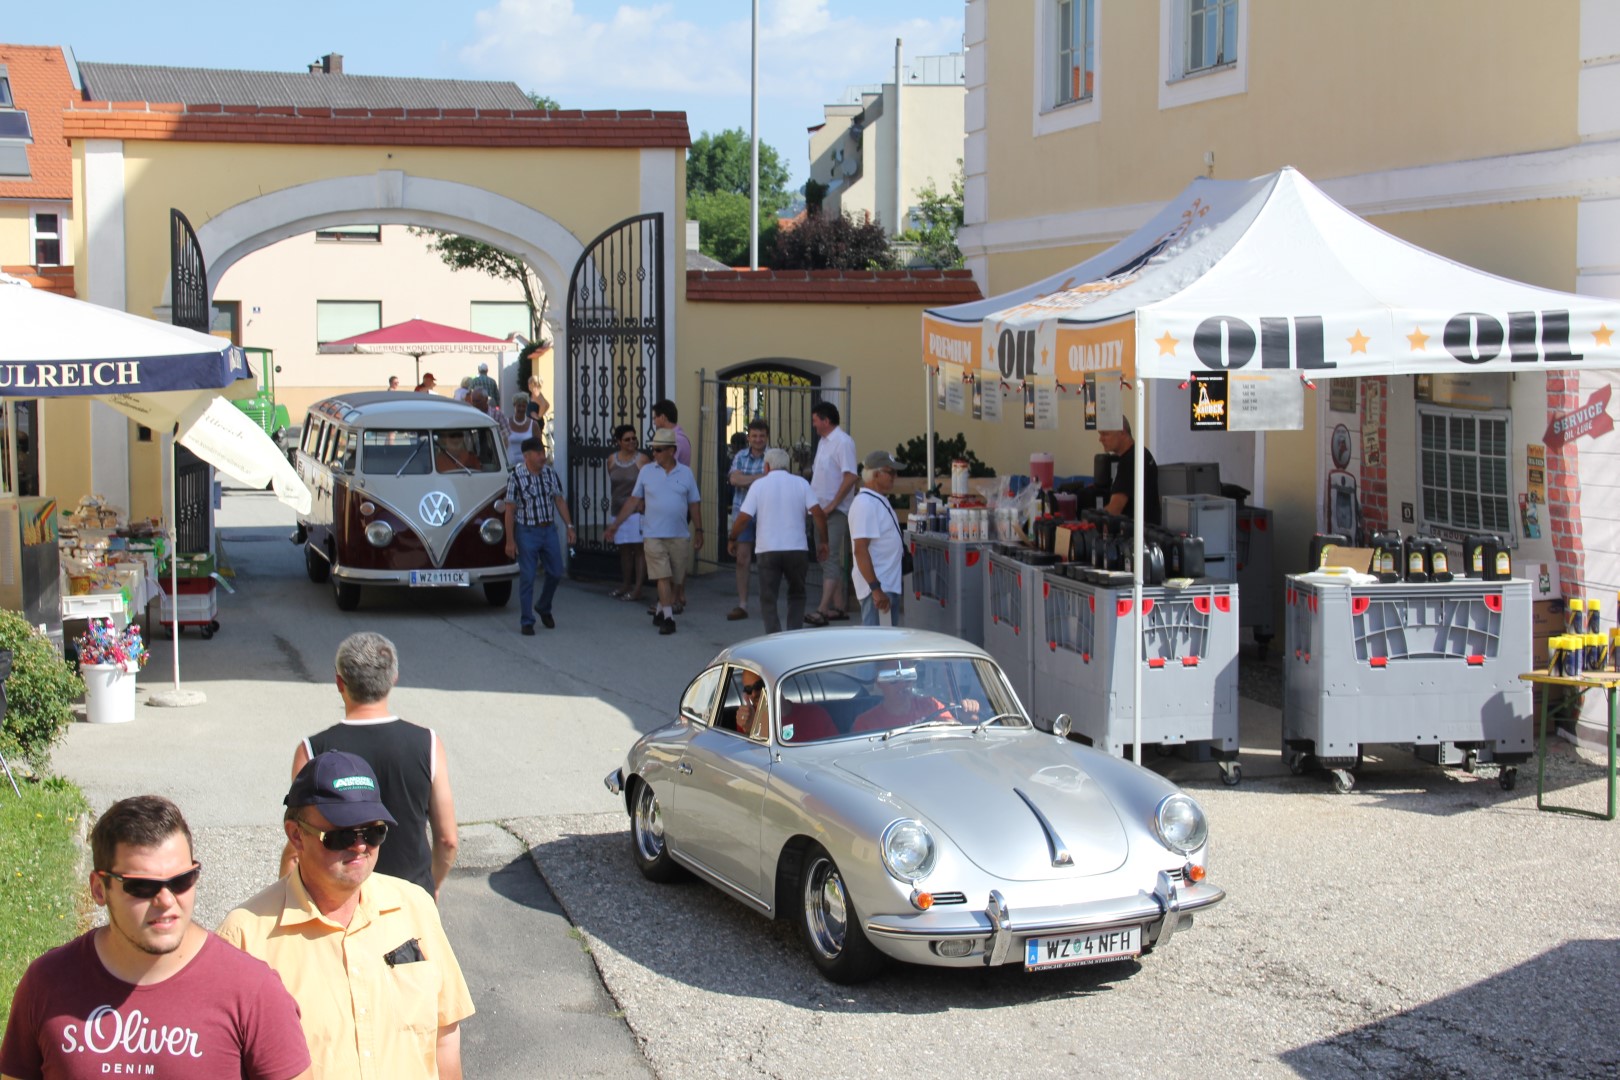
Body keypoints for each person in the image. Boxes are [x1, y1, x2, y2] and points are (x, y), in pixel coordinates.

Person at [0, 795, 312, 1080]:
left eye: (182, 880)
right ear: (98, 889)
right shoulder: (47, 982)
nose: (166, 900)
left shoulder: (252, 991)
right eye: (142, 887)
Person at [218, 752, 475, 1080]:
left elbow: (445, 1035)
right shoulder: (244, 936)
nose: (360, 847)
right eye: (341, 836)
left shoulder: (415, 907)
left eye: (373, 833)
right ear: (296, 835)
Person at [279, 632, 458, 900]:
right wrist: (432, 886)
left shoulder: (312, 750)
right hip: (410, 898)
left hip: (341, 902)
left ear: (339, 682)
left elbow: (299, 846)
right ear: (393, 679)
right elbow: (447, 840)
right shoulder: (428, 743)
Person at [604, 428, 700, 636]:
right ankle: (668, 618)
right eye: (653, 449)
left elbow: (694, 503)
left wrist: (699, 530)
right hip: (653, 534)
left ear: (671, 451)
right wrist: (616, 524)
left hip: (679, 534)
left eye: (659, 450)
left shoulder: (685, 473)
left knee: (675, 578)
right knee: (662, 577)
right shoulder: (647, 472)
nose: (654, 454)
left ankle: (659, 611)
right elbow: (633, 500)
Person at [728, 447, 828, 634]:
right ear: (787, 466)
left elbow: (743, 518)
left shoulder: (759, 485)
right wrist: (823, 541)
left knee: (768, 597)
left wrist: (732, 538)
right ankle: (793, 634)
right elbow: (818, 514)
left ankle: (774, 637)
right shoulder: (801, 483)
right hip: (797, 548)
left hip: (768, 549)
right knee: (797, 594)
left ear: (766, 466)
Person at [504, 436, 575, 634]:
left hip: (548, 529)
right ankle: (527, 620)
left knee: (556, 571)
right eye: (538, 454)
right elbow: (509, 510)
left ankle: (544, 605)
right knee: (527, 576)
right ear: (527, 456)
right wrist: (510, 541)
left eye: (543, 453)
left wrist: (569, 526)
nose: (543, 457)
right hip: (527, 531)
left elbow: (559, 500)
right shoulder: (516, 477)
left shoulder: (549, 474)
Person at [805, 401, 859, 627]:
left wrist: (832, 505)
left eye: (816, 420)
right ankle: (838, 606)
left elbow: (850, 477)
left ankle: (822, 609)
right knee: (825, 556)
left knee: (830, 556)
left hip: (833, 511)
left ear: (826, 421)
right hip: (821, 510)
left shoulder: (843, 442)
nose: (814, 424)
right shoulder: (824, 441)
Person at [1062, 418, 1161, 525]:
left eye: (1105, 434)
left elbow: (1114, 509)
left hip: (1136, 535)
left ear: (1122, 431)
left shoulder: (1130, 461)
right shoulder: (1142, 453)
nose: (1100, 439)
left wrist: (1087, 523)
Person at [851, 449, 908, 627]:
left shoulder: (875, 500)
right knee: (878, 646)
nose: (894, 476)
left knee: (885, 644)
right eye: (890, 472)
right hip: (878, 588)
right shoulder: (865, 504)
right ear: (876, 474)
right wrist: (875, 589)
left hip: (885, 584)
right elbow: (860, 550)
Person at [725, 419, 770, 621]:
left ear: (766, 437)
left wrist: (748, 480)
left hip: (767, 514)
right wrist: (761, 479)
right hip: (743, 513)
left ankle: (766, 602)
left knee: (766, 561)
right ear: (749, 437)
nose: (758, 440)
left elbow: (775, 481)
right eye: (754, 436)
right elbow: (734, 479)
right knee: (742, 559)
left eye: (761, 436)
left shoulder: (773, 456)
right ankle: (742, 604)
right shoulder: (740, 456)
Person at [607, 424, 650, 602]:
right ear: (619, 442)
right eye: (627, 439)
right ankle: (626, 584)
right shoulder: (611, 460)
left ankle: (638, 588)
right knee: (624, 549)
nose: (632, 442)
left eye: (634, 438)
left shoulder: (642, 460)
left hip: (636, 512)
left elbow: (650, 484)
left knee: (639, 549)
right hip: (618, 510)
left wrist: (643, 502)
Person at [852, 664, 958, 733]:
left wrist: (967, 717)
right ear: (880, 683)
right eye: (893, 678)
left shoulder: (930, 705)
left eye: (908, 676)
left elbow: (952, 730)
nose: (902, 684)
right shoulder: (866, 723)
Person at [734, 670, 769, 740]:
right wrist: (750, 729)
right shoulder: (746, 716)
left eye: (758, 686)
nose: (754, 694)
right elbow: (748, 749)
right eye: (748, 689)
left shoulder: (796, 712)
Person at [505, 393, 538, 464]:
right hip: (510, 463)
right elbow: (502, 444)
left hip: (528, 464)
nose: (521, 409)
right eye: (519, 406)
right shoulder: (506, 423)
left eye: (524, 406)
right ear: (514, 406)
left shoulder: (533, 424)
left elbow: (538, 445)